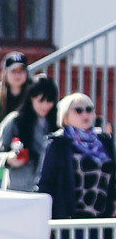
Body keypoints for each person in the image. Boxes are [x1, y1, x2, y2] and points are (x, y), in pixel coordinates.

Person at [38, 92, 115, 221]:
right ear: (65, 117)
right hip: (69, 218)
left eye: (89, 110)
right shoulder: (58, 143)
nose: (85, 114)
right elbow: (46, 182)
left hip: (103, 218)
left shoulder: (104, 141)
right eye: (78, 111)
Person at [0, 75, 58, 195]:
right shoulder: (15, 121)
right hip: (18, 189)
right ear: (31, 98)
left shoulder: (57, 124)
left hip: (46, 190)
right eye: (41, 100)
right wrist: (10, 158)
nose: (45, 106)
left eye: (50, 101)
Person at [0, 51, 32, 146]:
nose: (17, 75)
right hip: (2, 154)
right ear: (5, 73)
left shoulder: (33, 100)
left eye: (21, 71)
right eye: (13, 71)